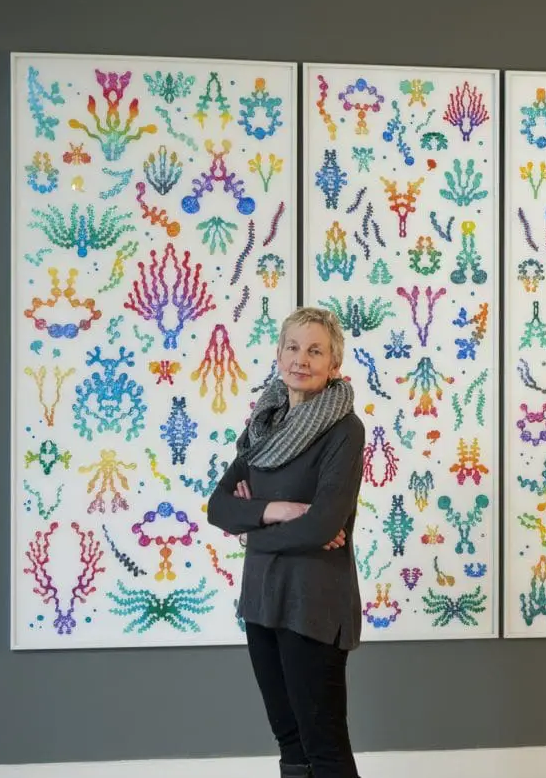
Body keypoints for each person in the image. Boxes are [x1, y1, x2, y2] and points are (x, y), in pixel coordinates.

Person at [206, 306, 366, 778]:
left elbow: (322, 527)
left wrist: (250, 530)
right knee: (290, 745)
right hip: (261, 600)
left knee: (324, 747)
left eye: (315, 351)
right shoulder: (263, 426)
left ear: (334, 364)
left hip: (313, 603)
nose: (301, 359)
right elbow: (218, 507)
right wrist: (274, 511)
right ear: (278, 355)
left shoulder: (344, 430)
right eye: (293, 347)